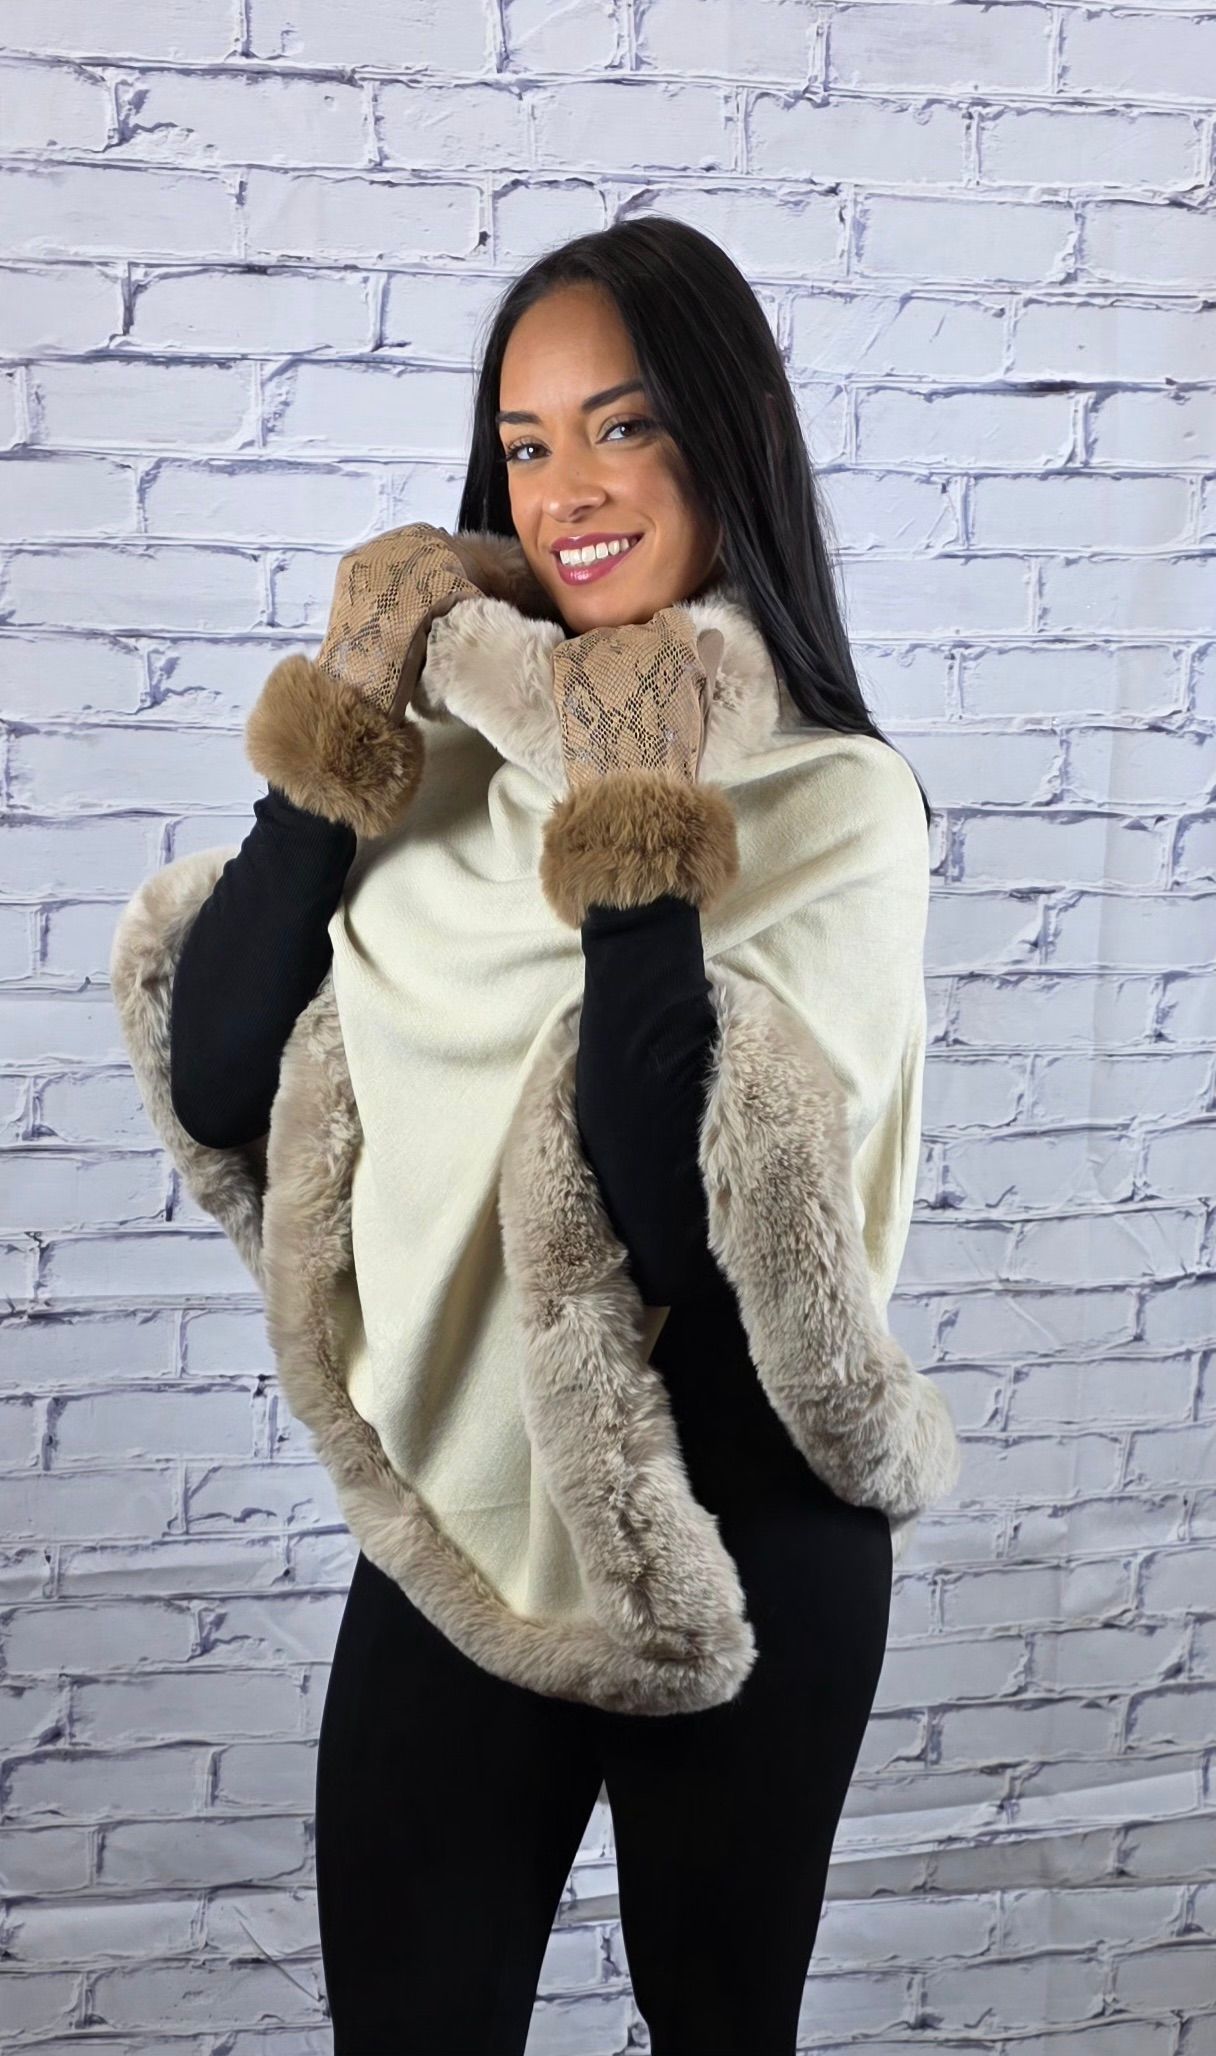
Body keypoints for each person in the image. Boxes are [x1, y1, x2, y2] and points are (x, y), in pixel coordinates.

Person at [111, 216, 960, 2056]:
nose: (566, 488)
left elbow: (675, 1224)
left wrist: (637, 806)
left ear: (725, 444)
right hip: (461, 1529)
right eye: (526, 440)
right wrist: (350, 714)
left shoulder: (841, 808)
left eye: (623, 427)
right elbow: (221, 1070)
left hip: (735, 1549)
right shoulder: (446, 771)